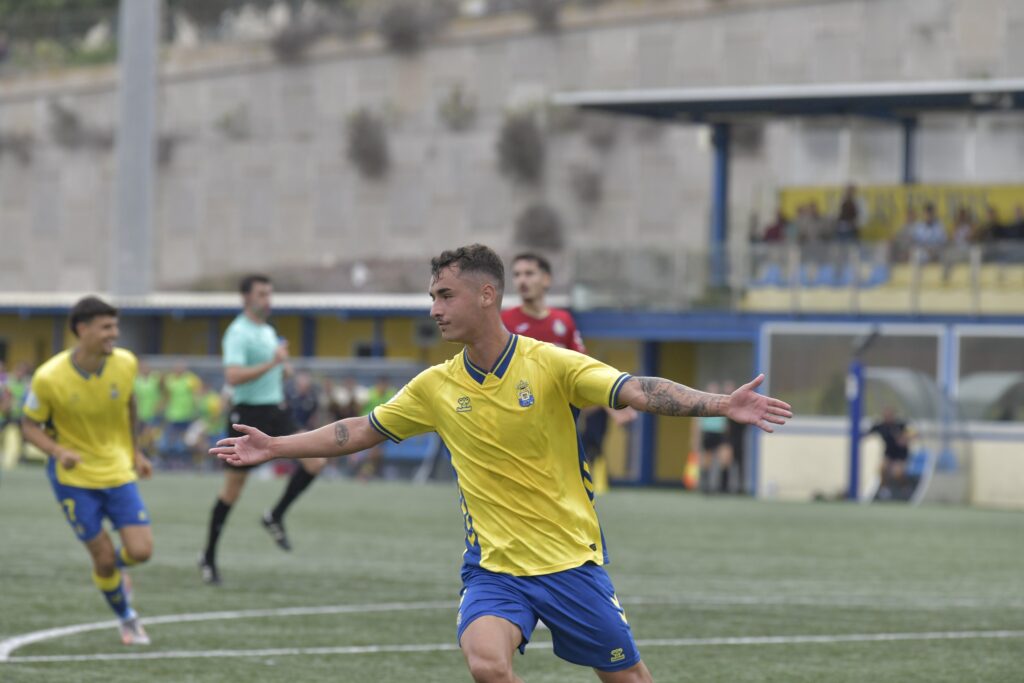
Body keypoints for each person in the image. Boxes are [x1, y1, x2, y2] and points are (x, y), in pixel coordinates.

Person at [212, 244, 793, 683]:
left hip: (570, 564)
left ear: (486, 295)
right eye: (433, 296)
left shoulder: (553, 363)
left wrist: (721, 403)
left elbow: (635, 389)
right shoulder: (435, 386)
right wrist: (275, 446)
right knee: (487, 665)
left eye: (445, 296)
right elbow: (360, 429)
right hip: (493, 568)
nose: (434, 309)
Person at [20, 296, 153, 645]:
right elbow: (29, 426)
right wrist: (57, 450)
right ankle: (127, 617)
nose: (115, 334)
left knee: (141, 552)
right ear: (82, 329)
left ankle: (117, 570)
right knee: (104, 559)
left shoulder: (125, 364)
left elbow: (129, 403)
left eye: (116, 326)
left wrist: (136, 452)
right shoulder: (49, 377)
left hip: (118, 470)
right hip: (74, 480)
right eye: (106, 327)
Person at [198, 274, 328, 585]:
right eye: (261, 294)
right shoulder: (238, 333)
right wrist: (273, 363)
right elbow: (232, 377)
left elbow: (271, 367)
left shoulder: (268, 331)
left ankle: (275, 515)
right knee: (232, 491)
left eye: (269, 293)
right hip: (249, 415)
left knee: (316, 461)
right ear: (245, 298)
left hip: (276, 409)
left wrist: (282, 369)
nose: (267, 300)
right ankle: (209, 557)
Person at [503, 252, 637, 491]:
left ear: (546, 279)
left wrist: (611, 404)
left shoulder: (563, 321)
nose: (522, 280)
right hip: (517, 427)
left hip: (558, 427)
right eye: (517, 275)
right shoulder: (505, 322)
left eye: (529, 273)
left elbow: (583, 371)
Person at [866, 407, 915, 501]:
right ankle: (885, 489)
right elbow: (868, 432)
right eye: (886, 415)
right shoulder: (881, 426)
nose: (888, 417)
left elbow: (914, 434)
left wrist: (904, 439)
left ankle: (905, 487)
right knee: (882, 468)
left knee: (897, 472)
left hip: (901, 455)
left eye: (890, 415)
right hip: (889, 454)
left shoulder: (901, 425)